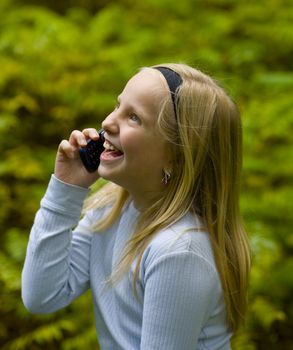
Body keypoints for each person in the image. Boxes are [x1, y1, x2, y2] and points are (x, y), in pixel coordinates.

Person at [22, 63, 251, 349]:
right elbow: (42, 296)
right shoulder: (110, 211)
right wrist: (65, 189)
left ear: (176, 158)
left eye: (134, 118)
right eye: (118, 106)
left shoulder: (178, 250)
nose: (107, 123)